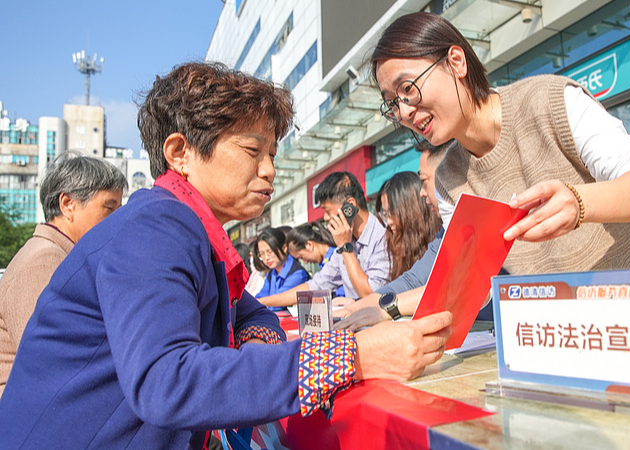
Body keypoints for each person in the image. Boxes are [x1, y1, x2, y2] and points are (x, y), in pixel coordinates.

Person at [0, 62, 452, 449]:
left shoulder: (194, 234)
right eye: (253, 150)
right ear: (181, 152)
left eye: (272, 153)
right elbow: (168, 381)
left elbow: (254, 313)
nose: (270, 170)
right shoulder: (156, 227)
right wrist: (352, 355)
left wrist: (255, 345)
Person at [371, 12, 630, 330]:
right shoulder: (448, 181)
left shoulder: (549, 101)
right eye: (392, 102)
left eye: (407, 88)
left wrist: (580, 202)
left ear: (456, 62)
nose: (403, 111)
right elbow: (475, 283)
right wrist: (385, 308)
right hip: (577, 324)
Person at [0, 151, 127, 397]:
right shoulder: (45, 261)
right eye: (109, 208)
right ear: (68, 204)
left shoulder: (59, 257)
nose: (117, 221)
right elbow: (50, 361)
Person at [335, 140, 451, 329]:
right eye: (384, 214)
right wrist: (356, 309)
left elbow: (450, 289)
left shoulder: (460, 224)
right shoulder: (436, 234)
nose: (387, 222)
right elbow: (411, 281)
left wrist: (383, 309)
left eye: (424, 182)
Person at [259, 172, 390, 307]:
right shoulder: (346, 241)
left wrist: (345, 247)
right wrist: (261, 302)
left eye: (327, 211)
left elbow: (371, 294)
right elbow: (316, 285)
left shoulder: (383, 236)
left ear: (349, 207)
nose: (326, 218)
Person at [375, 171, 441, 281]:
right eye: (385, 214)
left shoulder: (439, 243)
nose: (389, 221)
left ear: (411, 210)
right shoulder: (394, 244)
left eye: (393, 212)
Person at [286, 220, 345, 297]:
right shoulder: (326, 262)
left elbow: (315, 287)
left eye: (302, 257)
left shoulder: (338, 257)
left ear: (309, 245)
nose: (306, 262)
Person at [253, 227, 310, 307]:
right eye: (261, 254)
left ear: (284, 248)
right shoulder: (271, 274)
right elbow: (261, 296)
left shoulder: (298, 274)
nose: (266, 258)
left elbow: (277, 303)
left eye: (270, 252)